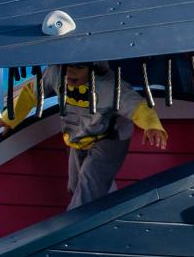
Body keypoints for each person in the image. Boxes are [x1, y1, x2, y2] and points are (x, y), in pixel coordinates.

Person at [56, 63, 168, 208]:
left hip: (111, 137)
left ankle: (76, 224)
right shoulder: (55, 75)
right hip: (81, 134)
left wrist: (152, 126)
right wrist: (15, 119)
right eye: (67, 67)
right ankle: (100, 204)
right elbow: (30, 93)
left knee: (89, 184)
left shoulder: (110, 86)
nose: (71, 72)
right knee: (75, 184)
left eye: (79, 68)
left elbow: (138, 107)